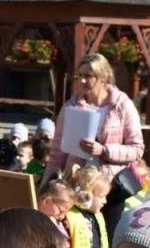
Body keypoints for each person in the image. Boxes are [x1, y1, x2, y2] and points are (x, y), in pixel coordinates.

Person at [47, 53, 144, 235]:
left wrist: (104, 150)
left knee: (109, 237)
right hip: (77, 186)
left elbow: (137, 149)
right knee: (79, 238)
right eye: (80, 75)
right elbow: (57, 151)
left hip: (110, 188)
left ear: (103, 77)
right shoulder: (71, 106)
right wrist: (47, 184)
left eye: (88, 75)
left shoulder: (122, 105)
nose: (82, 80)